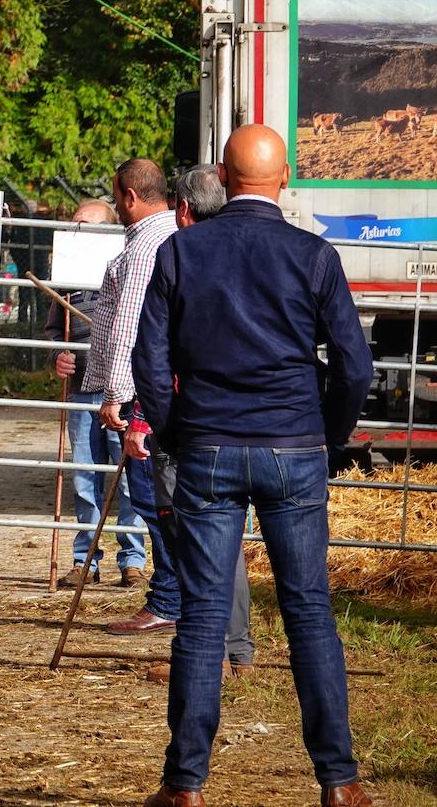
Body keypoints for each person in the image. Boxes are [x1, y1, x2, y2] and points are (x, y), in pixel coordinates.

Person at [134, 126, 374, 807]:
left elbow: (150, 360)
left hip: (208, 443)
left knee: (204, 618)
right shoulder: (314, 255)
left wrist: (179, 430)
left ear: (222, 174)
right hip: (294, 445)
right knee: (308, 613)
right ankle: (340, 781)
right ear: (286, 177)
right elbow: (354, 366)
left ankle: (184, 785)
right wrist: (325, 435)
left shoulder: (181, 251)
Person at [125, 165, 256, 682]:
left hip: (189, 421)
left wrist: (146, 419)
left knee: (194, 538)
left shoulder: (179, 259)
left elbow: (157, 353)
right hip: (244, 419)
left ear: (182, 209)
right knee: (225, 541)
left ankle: (211, 655)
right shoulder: (250, 256)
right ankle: (236, 650)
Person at [82, 159, 180, 635]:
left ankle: (169, 597)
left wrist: (117, 394)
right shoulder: (165, 236)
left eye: (119, 198)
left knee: (152, 495)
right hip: (158, 389)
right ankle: (174, 594)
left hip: (145, 394)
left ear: (129, 197)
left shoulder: (145, 248)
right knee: (158, 494)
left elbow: (131, 329)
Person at [45, 199, 147, 589]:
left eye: (86, 226)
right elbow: (54, 330)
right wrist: (59, 354)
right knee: (85, 477)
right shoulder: (68, 279)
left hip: (122, 388)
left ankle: (132, 559)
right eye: (74, 225)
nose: (78, 233)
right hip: (83, 389)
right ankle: (85, 559)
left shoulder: (128, 272)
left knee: (127, 477)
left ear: (109, 231)